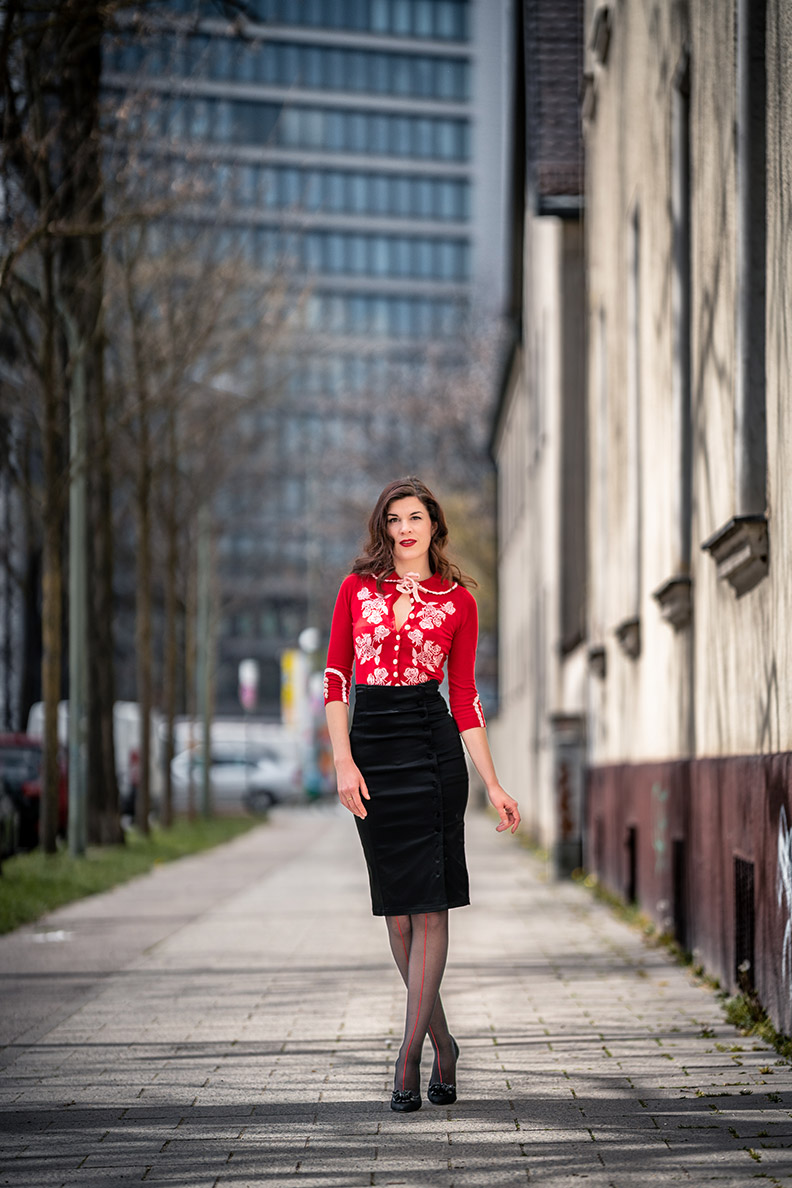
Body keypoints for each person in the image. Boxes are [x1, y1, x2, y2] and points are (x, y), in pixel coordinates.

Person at [324, 476, 520, 1113]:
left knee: (431, 907)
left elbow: (463, 698)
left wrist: (492, 782)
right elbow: (335, 681)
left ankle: (409, 1057)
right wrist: (343, 762)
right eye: (393, 519)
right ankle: (443, 1043)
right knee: (399, 914)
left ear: (435, 525)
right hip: (373, 749)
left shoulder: (459, 601)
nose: (405, 529)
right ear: (383, 528)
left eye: (416, 517)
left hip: (434, 754)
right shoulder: (357, 589)